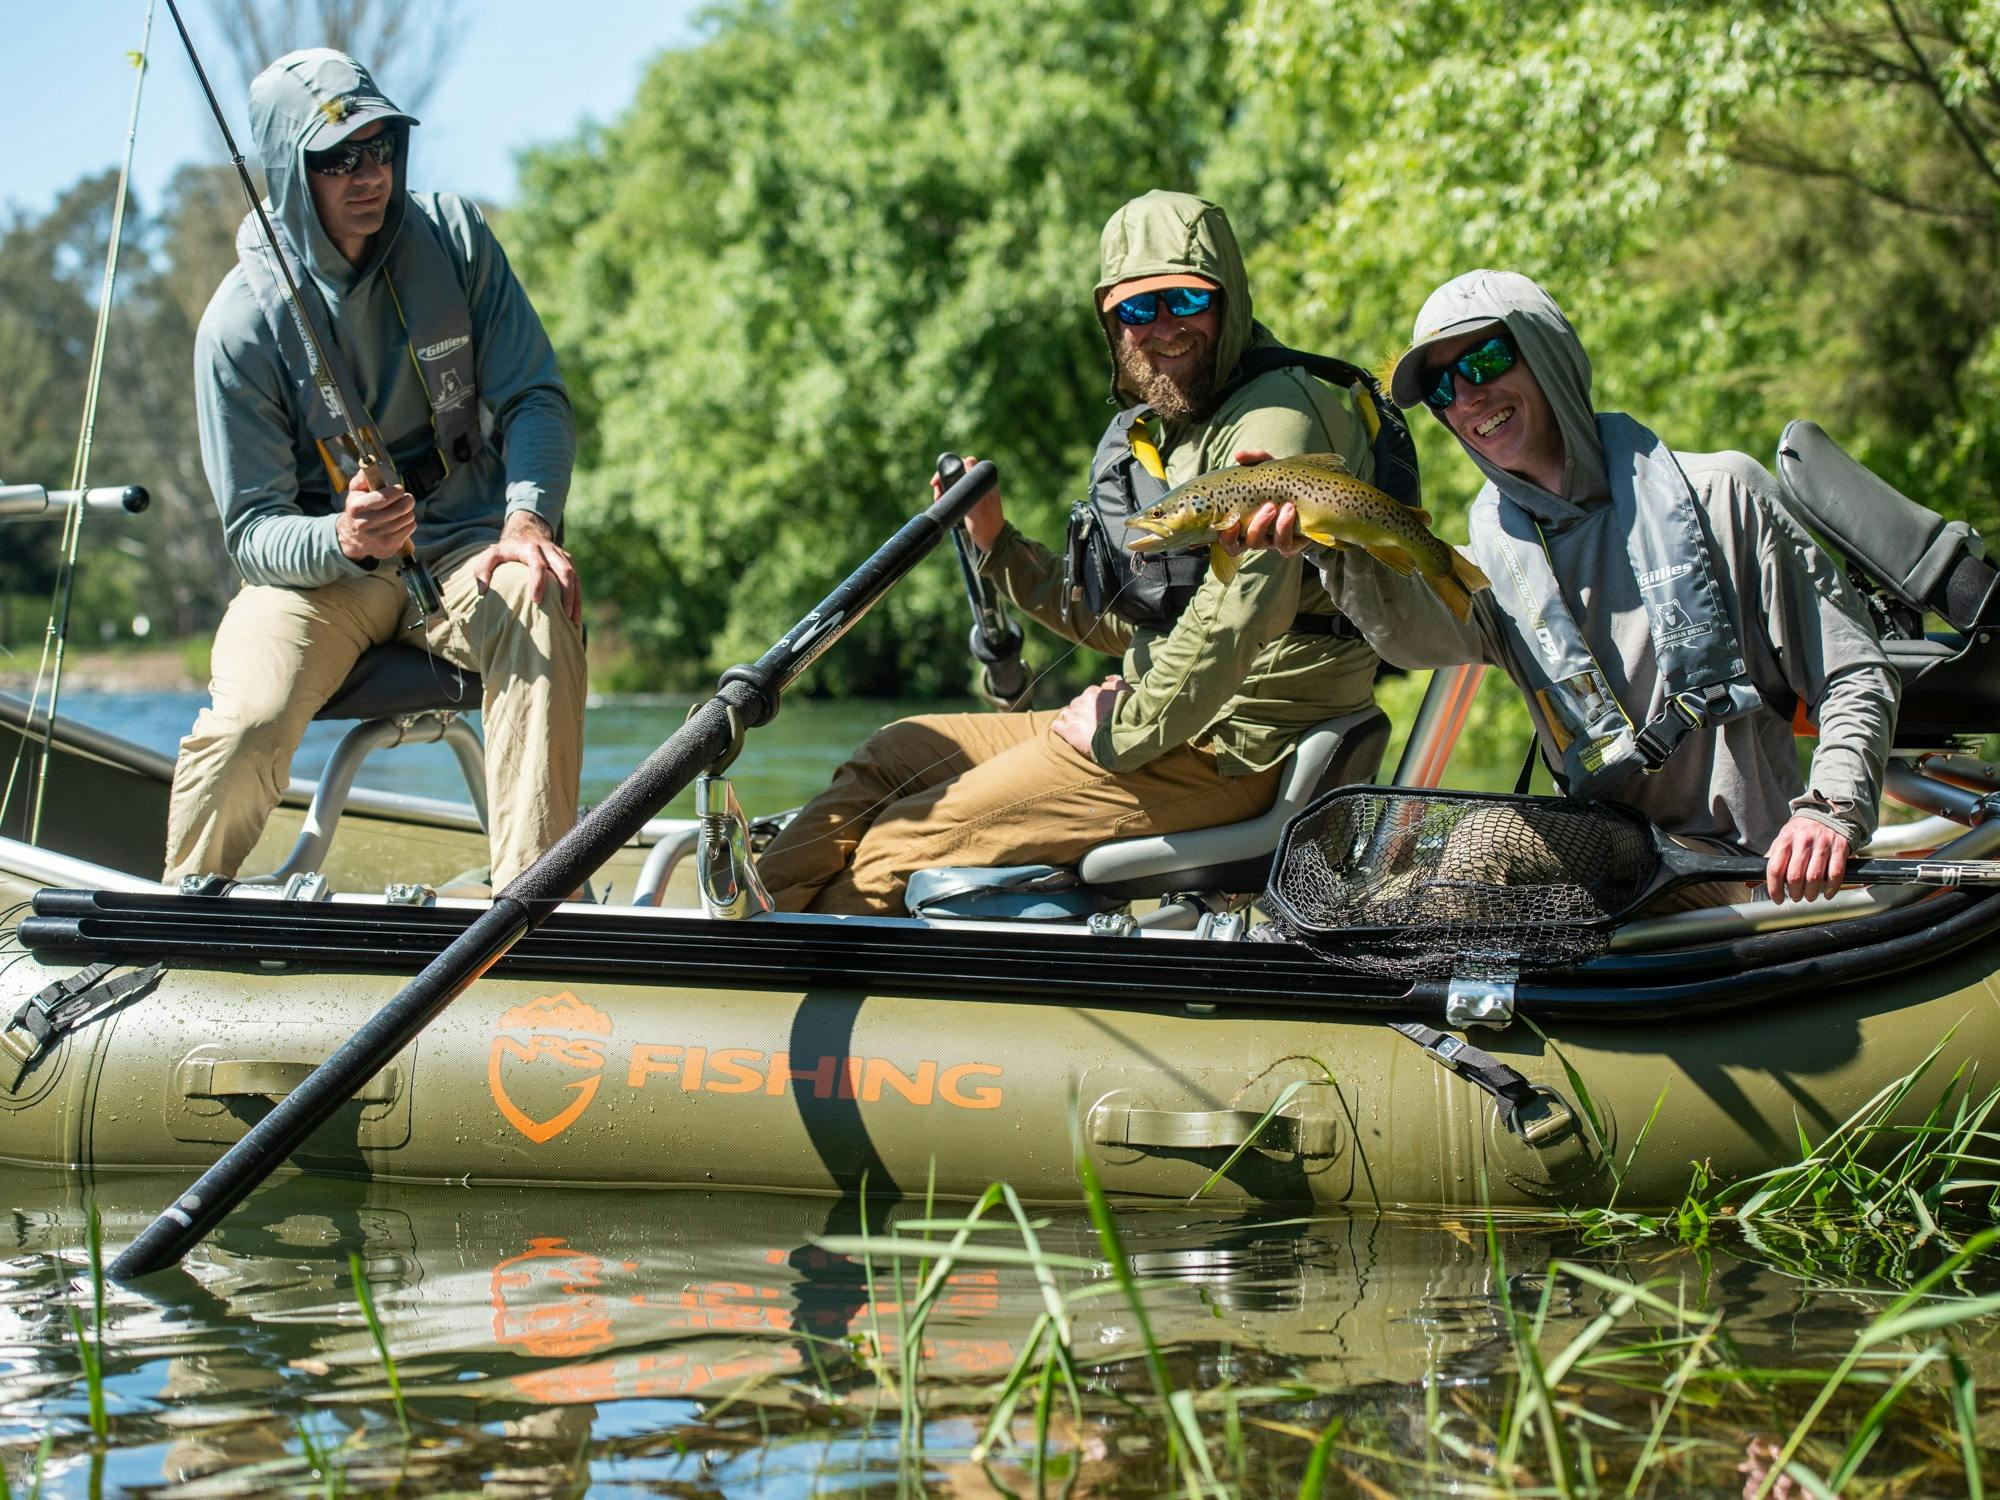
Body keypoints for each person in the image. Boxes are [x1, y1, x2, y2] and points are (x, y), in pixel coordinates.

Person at [755, 190, 1388, 915]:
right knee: (894, 753)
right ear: (1111, 321)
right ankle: (735, 940)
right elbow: (1128, 622)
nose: (1163, 327)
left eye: (1186, 298)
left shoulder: (1273, 421)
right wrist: (997, 544)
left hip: (1235, 746)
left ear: (1229, 301)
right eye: (1136, 310)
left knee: (903, 840)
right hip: (1173, 723)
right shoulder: (1170, 429)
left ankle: (772, 994)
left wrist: (1126, 726)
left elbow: (1235, 619)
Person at [1224, 269, 1899, 905]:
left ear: (1546, 353)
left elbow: (1856, 673)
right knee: (1400, 873)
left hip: (1735, 866)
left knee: (1476, 852)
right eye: (1441, 390)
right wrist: (1329, 539)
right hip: (1606, 858)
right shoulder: (1492, 559)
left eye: (1484, 362)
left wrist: (1831, 813)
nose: (1466, 397)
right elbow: (1412, 635)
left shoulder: (1724, 497)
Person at [162, 49, 585, 892]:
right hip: (321, 578)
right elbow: (252, 537)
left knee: (539, 596)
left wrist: (526, 521)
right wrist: (343, 539)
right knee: (248, 718)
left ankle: (532, 910)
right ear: (289, 173)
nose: (370, 174)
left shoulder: (456, 240)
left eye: (383, 147)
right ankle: (178, 918)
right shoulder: (237, 330)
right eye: (339, 158)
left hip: (467, 543)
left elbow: (536, 397)